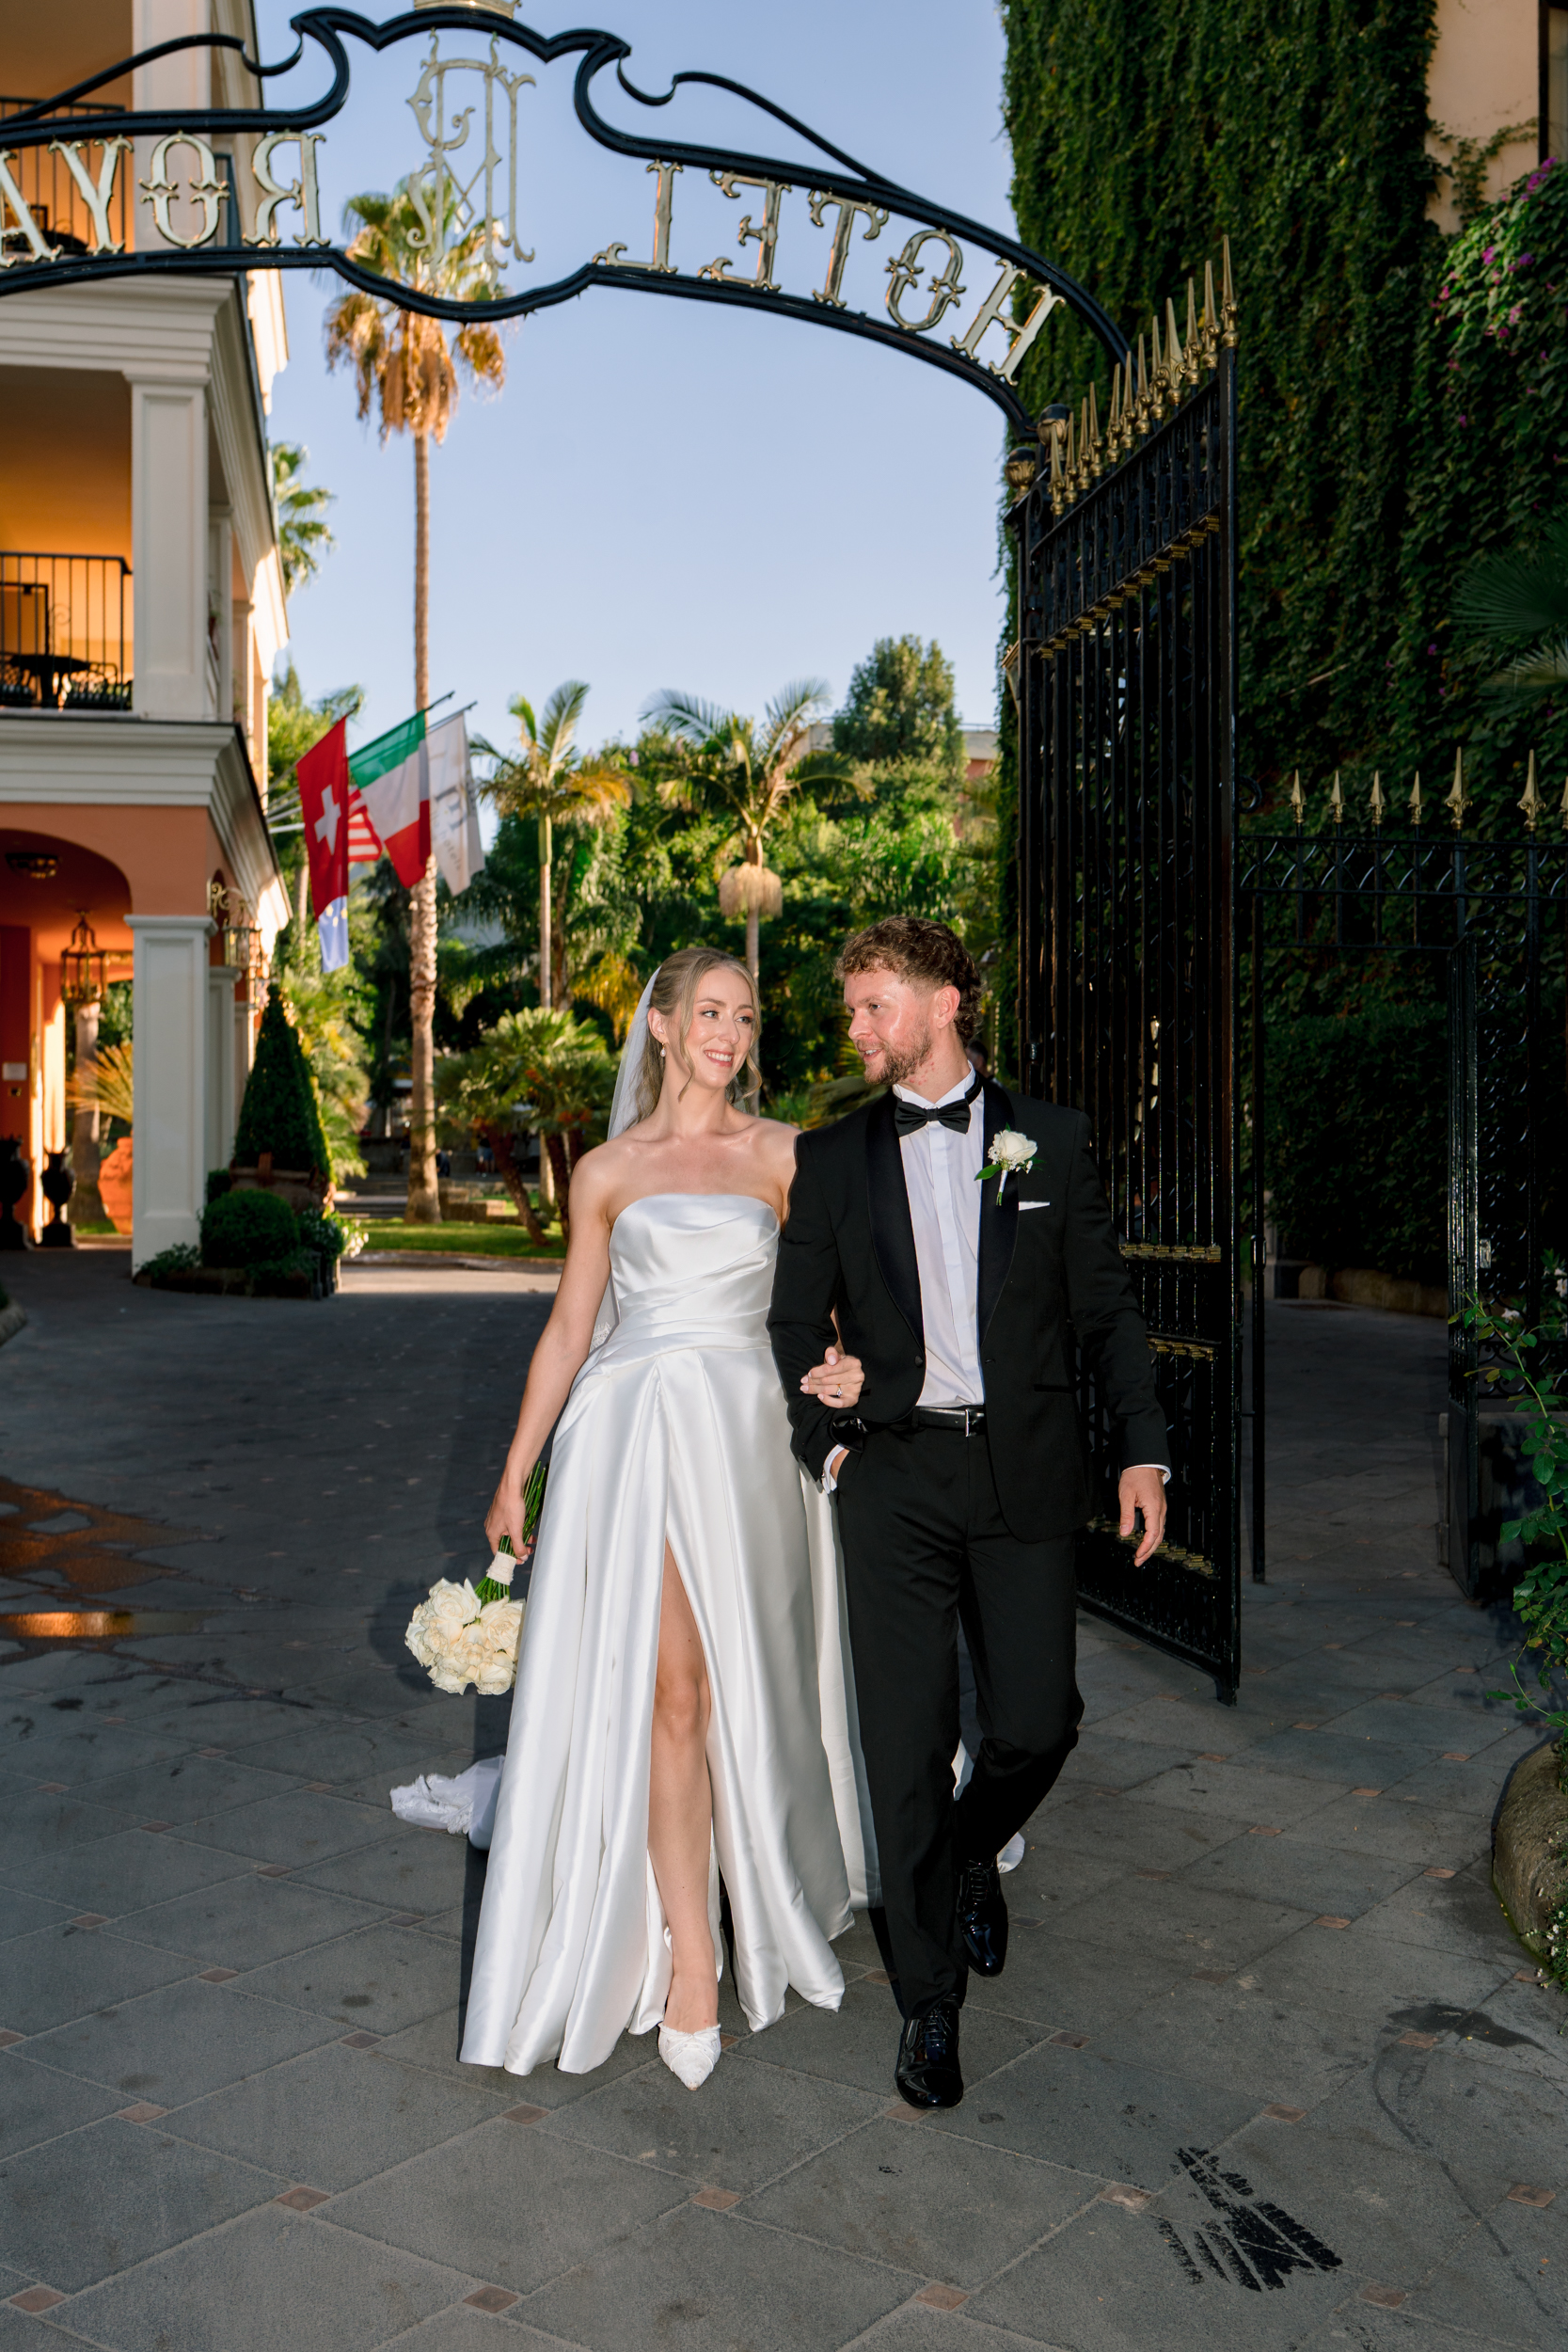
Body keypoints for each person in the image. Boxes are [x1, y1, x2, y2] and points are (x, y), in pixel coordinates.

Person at [768, 916, 1170, 2111]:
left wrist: (1142, 1452)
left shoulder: (1050, 1140)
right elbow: (792, 1325)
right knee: (902, 1744)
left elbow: (1105, 1312)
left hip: (1022, 1472)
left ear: (943, 1002)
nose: (856, 1026)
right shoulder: (831, 1158)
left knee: (1038, 1724)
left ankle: (960, 1855)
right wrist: (829, 1445)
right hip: (891, 1477)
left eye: (874, 1004)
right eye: (851, 1007)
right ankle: (927, 2002)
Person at [459, 948, 876, 2090]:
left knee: (753, 1680)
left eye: (743, 1016)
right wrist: (516, 1470)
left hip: (747, 1438)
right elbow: (570, 1327)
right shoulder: (605, 1170)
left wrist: (847, 1368)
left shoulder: (785, 1154)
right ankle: (693, 1956)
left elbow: (831, 1308)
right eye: (708, 1012)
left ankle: (763, 1876)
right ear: (659, 1022)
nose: (727, 1033)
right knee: (671, 1690)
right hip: (627, 1435)